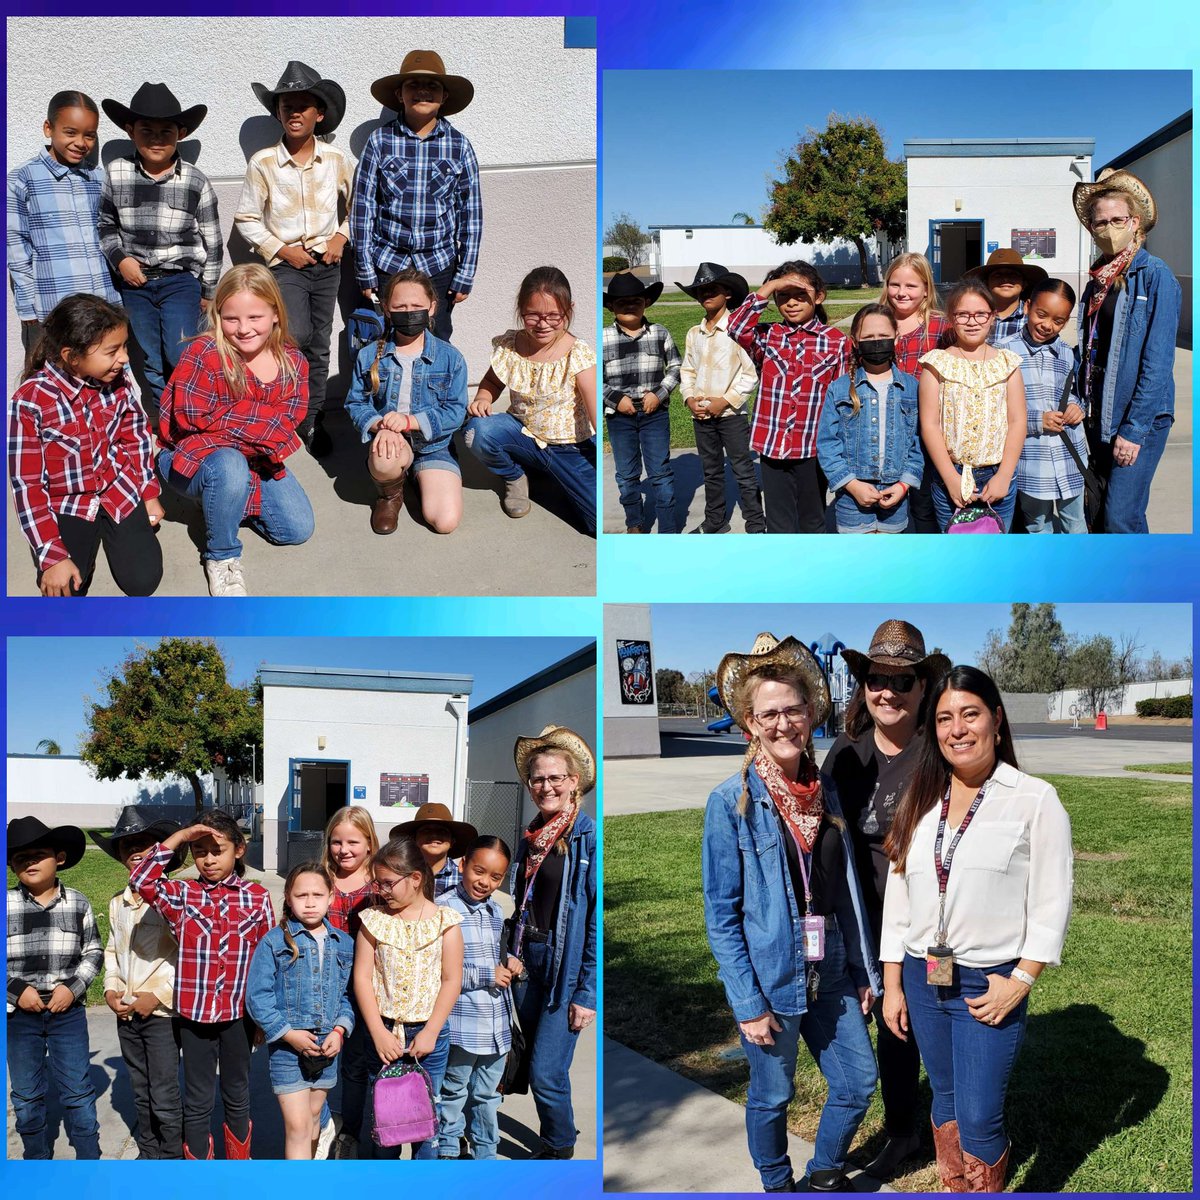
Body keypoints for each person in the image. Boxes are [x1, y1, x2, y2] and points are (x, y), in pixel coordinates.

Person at [880, 666, 1073, 1192]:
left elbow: (1052, 901)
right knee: (944, 1100)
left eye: (970, 714)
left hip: (989, 982)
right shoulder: (922, 798)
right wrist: (894, 984)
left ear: (997, 719)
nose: (957, 729)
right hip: (923, 976)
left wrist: (1022, 980)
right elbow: (899, 897)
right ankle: (955, 1186)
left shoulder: (1034, 799)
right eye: (945, 718)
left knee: (980, 1114)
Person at [702, 634, 881, 1192]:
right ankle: (777, 1184)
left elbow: (844, 891)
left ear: (810, 714)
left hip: (831, 961)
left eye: (793, 710)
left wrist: (862, 971)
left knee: (858, 1080)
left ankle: (823, 1173)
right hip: (770, 972)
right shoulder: (730, 802)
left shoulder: (825, 790)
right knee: (773, 1094)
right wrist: (747, 1003)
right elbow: (722, 916)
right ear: (751, 724)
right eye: (769, 714)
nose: (783, 724)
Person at [822, 624, 951, 1181]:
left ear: (923, 687)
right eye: (877, 679)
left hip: (934, 925)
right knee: (887, 1021)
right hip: (861, 921)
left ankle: (945, 1126)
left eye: (902, 681)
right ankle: (902, 1127)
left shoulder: (938, 751)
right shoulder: (846, 752)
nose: (888, 692)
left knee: (936, 1013)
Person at [158, 262, 315, 596]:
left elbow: (288, 423)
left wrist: (227, 419)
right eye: (231, 319)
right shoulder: (203, 353)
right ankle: (222, 555)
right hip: (189, 458)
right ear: (218, 316)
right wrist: (261, 423)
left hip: (255, 461)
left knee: (297, 529)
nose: (243, 329)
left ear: (275, 314)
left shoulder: (293, 361)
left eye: (255, 317)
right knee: (229, 464)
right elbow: (190, 418)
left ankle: (223, 502)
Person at [130, 810, 275, 1160]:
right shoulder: (181, 894)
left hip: (238, 1015)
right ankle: (199, 1172)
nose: (208, 860)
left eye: (217, 850)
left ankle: (238, 1166)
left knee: (237, 1093)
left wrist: (262, 1018)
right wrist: (181, 836)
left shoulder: (257, 897)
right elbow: (141, 880)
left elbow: (267, 960)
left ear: (239, 850)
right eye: (200, 851)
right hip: (195, 1016)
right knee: (197, 1099)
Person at [237, 61, 355, 458]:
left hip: (328, 264)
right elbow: (247, 218)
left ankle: (313, 417)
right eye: (287, 106)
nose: (294, 113)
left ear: (319, 114)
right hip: (287, 264)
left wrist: (341, 236)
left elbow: (361, 204)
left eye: (303, 106)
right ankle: (283, 408)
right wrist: (282, 249)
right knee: (294, 336)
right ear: (278, 113)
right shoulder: (264, 162)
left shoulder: (335, 159)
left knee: (319, 343)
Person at [9, 293, 163, 597]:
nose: (124, 358)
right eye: (112, 351)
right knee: (65, 589)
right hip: (67, 503)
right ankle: (78, 551)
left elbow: (136, 436)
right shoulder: (30, 402)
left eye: (124, 346)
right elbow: (27, 484)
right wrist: (52, 553)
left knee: (144, 581)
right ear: (72, 356)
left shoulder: (117, 381)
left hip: (116, 488)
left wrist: (148, 492)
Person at [98, 83, 221, 414]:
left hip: (179, 282)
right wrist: (120, 260)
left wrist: (208, 290)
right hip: (135, 284)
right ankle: (166, 422)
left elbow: (213, 240)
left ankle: (192, 418)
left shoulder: (195, 181)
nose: (156, 139)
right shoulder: (117, 172)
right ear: (130, 131)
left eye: (165, 131)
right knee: (152, 359)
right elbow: (105, 225)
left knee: (181, 355)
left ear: (180, 133)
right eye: (146, 131)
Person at [1072, 168, 1181, 533]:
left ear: (1135, 223)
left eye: (1117, 219)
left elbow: (1158, 361)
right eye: (1100, 222)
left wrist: (1134, 431)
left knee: (1120, 516)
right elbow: (1091, 348)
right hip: (1100, 412)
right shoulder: (1098, 281)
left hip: (1140, 417)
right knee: (1114, 510)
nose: (1109, 228)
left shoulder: (1155, 276)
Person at [509, 725, 598, 1159]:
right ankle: (555, 1133)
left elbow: (596, 922)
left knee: (547, 1071)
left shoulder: (588, 837)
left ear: (573, 781)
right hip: (528, 962)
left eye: (555, 778)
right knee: (526, 1062)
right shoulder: (531, 838)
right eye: (537, 779)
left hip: (565, 970)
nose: (546, 786)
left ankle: (559, 1147)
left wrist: (587, 992)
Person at [352, 50, 482, 342]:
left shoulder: (459, 146)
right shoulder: (380, 141)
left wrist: (465, 273)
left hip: (438, 264)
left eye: (432, 86)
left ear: (444, 96)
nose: (422, 91)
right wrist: (365, 270)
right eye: (413, 85)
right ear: (399, 94)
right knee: (383, 339)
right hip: (387, 262)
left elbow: (470, 215)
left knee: (437, 337)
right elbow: (363, 208)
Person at [354, 836, 464, 1159]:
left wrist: (431, 1031)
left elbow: (451, 980)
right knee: (386, 1123)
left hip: (428, 1037)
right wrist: (377, 1032)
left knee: (425, 1124)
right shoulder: (374, 921)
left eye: (388, 883)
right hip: (383, 1034)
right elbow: (362, 978)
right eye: (378, 883)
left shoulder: (445, 922)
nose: (381, 890)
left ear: (415, 878)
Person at [464, 266, 597, 531]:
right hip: (523, 434)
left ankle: (551, 471)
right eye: (532, 315)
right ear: (521, 310)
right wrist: (483, 397)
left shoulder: (578, 355)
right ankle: (515, 476)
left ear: (568, 310)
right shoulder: (512, 346)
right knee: (476, 432)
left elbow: (595, 413)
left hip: (569, 447)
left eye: (553, 316)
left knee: (596, 522)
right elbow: (492, 382)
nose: (542, 324)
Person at [727, 260, 851, 533]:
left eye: (800, 295)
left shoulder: (837, 341)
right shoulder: (767, 336)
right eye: (783, 295)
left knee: (812, 519)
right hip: (773, 446)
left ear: (819, 296)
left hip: (813, 448)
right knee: (778, 522)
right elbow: (736, 327)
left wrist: (839, 447)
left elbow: (841, 400)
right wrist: (770, 285)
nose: (791, 302)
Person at [344, 267, 469, 536]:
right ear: (387, 309)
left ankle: (417, 471)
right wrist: (380, 425)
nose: (408, 312)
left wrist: (410, 421)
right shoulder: (369, 355)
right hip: (391, 439)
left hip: (434, 446)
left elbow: (456, 411)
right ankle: (390, 494)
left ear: (432, 307)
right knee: (383, 460)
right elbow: (355, 402)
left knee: (445, 522)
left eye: (416, 306)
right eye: (400, 307)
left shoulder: (451, 358)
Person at [6, 816, 104, 1160]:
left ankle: (89, 1160)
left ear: (59, 858)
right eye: (20, 858)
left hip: (68, 1014)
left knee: (77, 1092)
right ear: (11, 865)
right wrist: (16, 990)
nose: (30, 862)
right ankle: (36, 1160)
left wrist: (73, 988)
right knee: (26, 1095)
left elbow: (93, 951)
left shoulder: (78, 903)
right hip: (18, 1017)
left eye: (38, 855)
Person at [92, 806, 185, 1160]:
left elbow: (188, 956)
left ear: (161, 852)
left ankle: (172, 1156)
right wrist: (111, 989)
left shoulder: (174, 898)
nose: (134, 849)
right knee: (139, 1087)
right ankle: (148, 1150)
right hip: (126, 1012)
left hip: (161, 1014)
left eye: (144, 843)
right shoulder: (118, 902)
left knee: (163, 1091)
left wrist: (158, 996)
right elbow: (113, 950)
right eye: (126, 844)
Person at [247, 862, 355, 1160]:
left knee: (313, 1117)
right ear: (288, 897)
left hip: (327, 1048)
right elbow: (258, 997)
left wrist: (340, 1030)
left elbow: (348, 996)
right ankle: (298, 1183)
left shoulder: (344, 943)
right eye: (301, 895)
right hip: (287, 1050)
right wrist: (288, 1034)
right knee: (297, 1127)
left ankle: (310, 1174)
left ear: (330, 897)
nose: (309, 903)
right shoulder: (274, 942)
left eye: (317, 895)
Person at [7, 90, 119, 370]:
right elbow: (16, 246)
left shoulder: (98, 178)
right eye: (70, 132)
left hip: (103, 302)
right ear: (49, 128)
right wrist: (27, 308)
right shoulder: (22, 179)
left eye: (89, 135)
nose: (80, 142)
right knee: (56, 377)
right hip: (55, 307)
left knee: (105, 376)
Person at [437, 836, 521, 1160]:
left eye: (495, 877)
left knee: (487, 1096)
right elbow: (438, 971)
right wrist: (487, 974)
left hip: (496, 1027)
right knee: (453, 1091)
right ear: (463, 865)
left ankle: (486, 1155)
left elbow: (496, 955)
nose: (485, 882)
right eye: (479, 871)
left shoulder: (495, 910)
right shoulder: (444, 909)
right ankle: (448, 1153)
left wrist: (510, 961)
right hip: (463, 1025)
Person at [918, 281, 1025, 532]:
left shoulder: (1007, 363)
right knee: (957, 548)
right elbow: (930, 425)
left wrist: (1004, 476)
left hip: (997, 476)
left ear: (992, 316)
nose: (972, 321)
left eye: (980, 314)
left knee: (994, 547)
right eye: (963, 314)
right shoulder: (936, 364)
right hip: (952, 476)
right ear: (951, 317)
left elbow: (1018, 421)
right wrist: (950, 477)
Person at [817, 304, 923, 534]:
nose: (876, 342)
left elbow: (919, 443)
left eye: (883, 336)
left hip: (896, 492)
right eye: (868, 337)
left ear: (896, 338)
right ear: (855, 342)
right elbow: (827, 443)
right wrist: (851, 484)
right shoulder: (839, 388)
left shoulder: (912, 388)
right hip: (851, 495)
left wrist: (904, 484)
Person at [675, 261, 764, 534]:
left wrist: (724, 401)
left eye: (712, 289)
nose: (706, 294)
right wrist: (690, 399)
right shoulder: (694, 333)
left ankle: (756, 522)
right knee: (711, 470)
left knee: (743, 469)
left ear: (727, 293)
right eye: (701, 290)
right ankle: (715, 520)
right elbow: (688, 370)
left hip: (731, 415)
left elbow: (750, 374)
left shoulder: (737, 332)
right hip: (701, 413)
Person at [999, 279, 1088, 534]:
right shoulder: (1004, 352)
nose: (1047, 325)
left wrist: (1076, 406)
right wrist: (1037, 421)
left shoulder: (1067, 353)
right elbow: (996, 409)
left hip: (1069, 456)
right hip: (1031, 459)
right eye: (1041, 314)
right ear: (1027, 307)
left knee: (1076, 524)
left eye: (1058, 321)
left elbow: (1071, 392)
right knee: (1037, 525)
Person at [601, 271, 681, 533]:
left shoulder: (660, 333)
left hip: (654, 415)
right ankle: (634, 523)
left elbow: (676, 367)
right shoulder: (603, 338)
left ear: (646, 302)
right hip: (619, 417)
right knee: (626, 474)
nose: (629, 306)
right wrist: (616, 399)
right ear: (611, 306)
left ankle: (668, 529)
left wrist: (659, 394)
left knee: (660, 473)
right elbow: (594, 378)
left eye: (635, 300)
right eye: (621, 302)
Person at [322, 806, 380, 1159]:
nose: (343, 850)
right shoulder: (320, 881)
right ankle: (320, 1126)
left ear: (370, 842)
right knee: (319, 1062)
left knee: (357, 1064)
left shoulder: (380, 884)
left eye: (352, 842)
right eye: (336, 842)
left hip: (365, 989)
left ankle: (353, 1130)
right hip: (322, 987)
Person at [879, 252, 950, 532]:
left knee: (924, 505)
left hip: (926, 434)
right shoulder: (876, 322)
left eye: (911, 286)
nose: (902, 292)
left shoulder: (942, 327)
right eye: (895, 284)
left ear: (926, 290)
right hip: (884, 432)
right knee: (886, 505)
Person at [389, 801, 478, 900]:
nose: (434, 835)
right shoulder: (400, 874)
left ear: (452, 841)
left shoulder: (464, 878)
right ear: (414, 839)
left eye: (442, 831)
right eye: (426, 830)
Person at [963, 249, 1048, 346]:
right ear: (987, 283)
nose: (1005, 279)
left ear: (1024, 284)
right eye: (998, 275)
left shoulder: (1033, 319)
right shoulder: (972, 316)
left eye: (1013, 274)